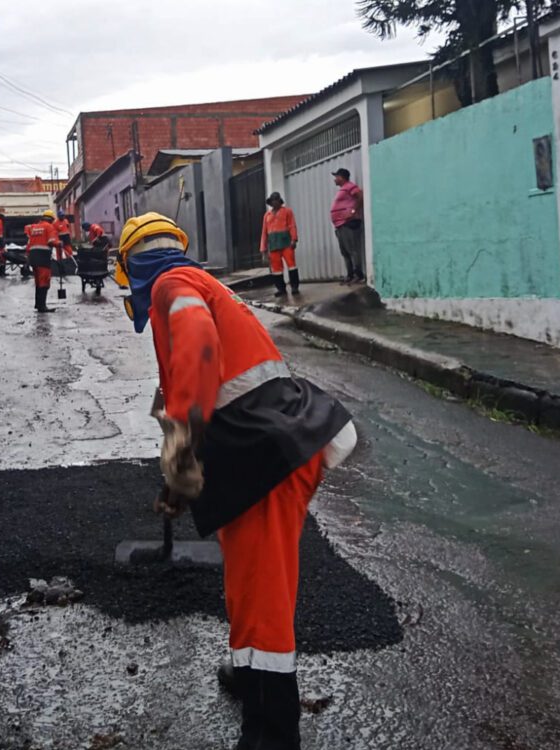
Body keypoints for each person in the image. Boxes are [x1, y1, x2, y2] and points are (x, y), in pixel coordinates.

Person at [114, 211, 356, 749]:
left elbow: (200, 348)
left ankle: (271, 730)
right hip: (265, 445)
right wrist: (176, 472)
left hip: (265, 453)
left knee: (261, 597)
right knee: (249, 580)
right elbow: (187, 381)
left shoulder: (174, 287)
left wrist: (180, 454)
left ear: (131, 264)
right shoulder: (198, 282)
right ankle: (248, 672)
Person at [259, 192, 300, 297]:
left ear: (279, 201)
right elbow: (264, 232)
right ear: (271, 202)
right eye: (273, 200)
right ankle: (281, 289)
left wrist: (294, 239)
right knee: (276, 268)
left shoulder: (287, 211)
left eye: (276, 200)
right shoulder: (266, 215)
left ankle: (294, 287)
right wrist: (263, 248)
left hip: (286, 242)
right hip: (273, 245)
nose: (274, 202)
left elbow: (292, 225)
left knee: (291, 265)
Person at [329, 168, 366, 285]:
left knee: (352, 250)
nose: (335, 179)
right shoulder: (343, 189)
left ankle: (358, 275)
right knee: (345, 251)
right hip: (340, 224)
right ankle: (350, 275)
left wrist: (354, 211)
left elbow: (360, 196)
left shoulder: (350, 186)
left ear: (342, 177)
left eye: (336, 177)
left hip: (348, 223)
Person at [24, 209, 62, 313]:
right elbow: (51, 241)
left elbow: (29, 244)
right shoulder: (49, 227)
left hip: (33, 257)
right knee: (44, 282)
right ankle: (42, 306)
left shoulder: (35, 227)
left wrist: (27, 258)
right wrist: (59, 243)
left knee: (38, 282)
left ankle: (38, 304)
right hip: (43, 257)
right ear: (51, 219)